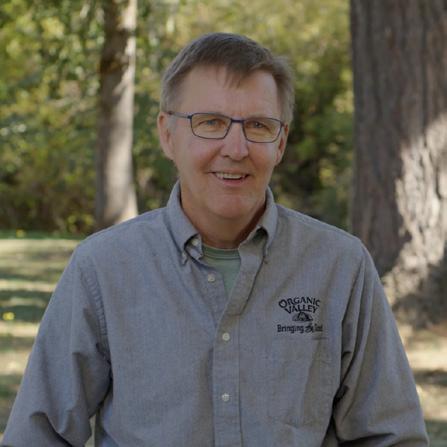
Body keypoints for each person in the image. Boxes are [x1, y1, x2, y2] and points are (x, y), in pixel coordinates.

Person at [2, 33, 428, 447]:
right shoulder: (102, 269)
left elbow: (390, 437)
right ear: (167, 134)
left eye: (258, 125)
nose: (236, 148)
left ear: (280, 142)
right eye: (211, 123)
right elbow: (38, 436)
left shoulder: (341, 268)